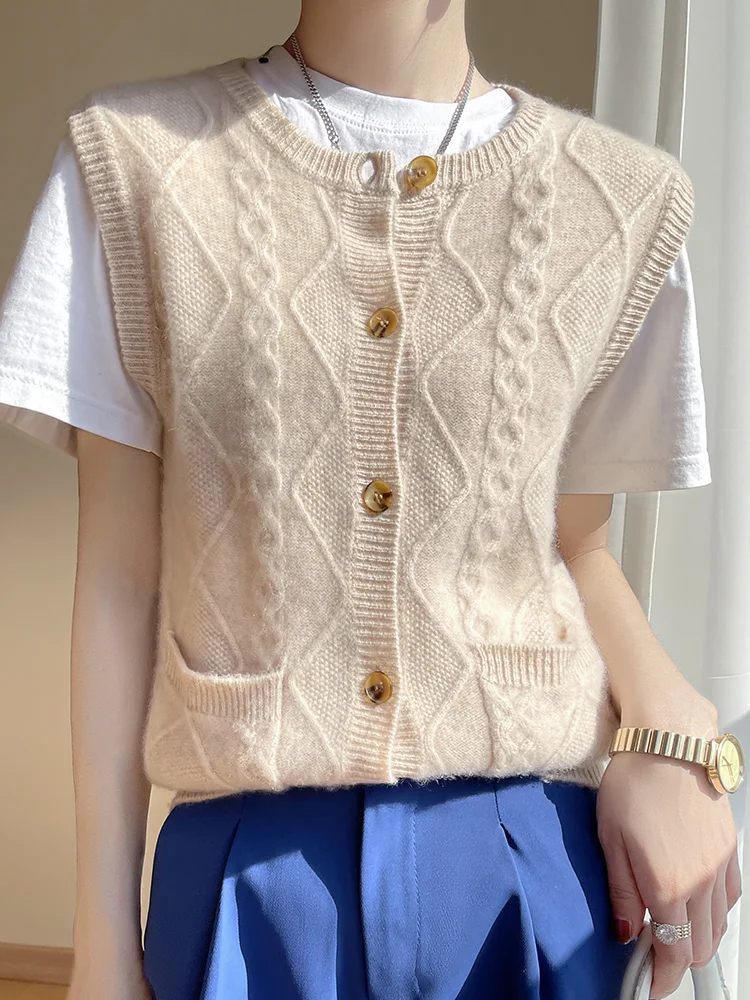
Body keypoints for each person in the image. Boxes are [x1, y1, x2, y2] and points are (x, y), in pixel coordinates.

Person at [0, 2, 743, 998]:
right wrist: (99, 939)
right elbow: (119, 581)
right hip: (248, 873)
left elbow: (574, 553)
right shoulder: (134, 164)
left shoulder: (620, 202)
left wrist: (669, 729)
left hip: (527, 865)